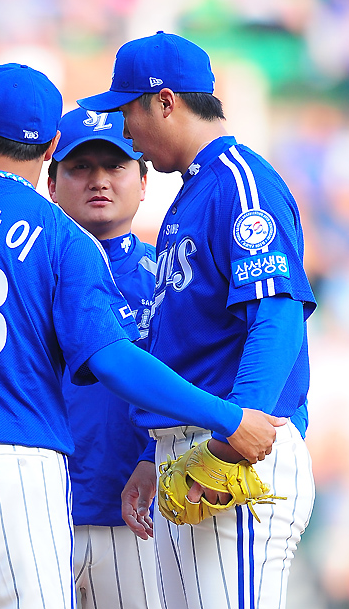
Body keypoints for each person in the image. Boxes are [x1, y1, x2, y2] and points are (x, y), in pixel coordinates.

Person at [0, 62, 282, 609]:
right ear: (52, 148)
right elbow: (111, 359)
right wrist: (227, 416)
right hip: (19, 466)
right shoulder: (61, 236)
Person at [77, 31, 317, 609]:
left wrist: (238, 436)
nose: (125, 129)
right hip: (189, 449)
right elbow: (189, 341)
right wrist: (148, 455)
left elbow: (277, 312)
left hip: (234, 447)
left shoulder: (240, 180)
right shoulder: (192, 193)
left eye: (127, 110)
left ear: (165, 102)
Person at [48, 106, 161, 609]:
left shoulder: (171, 278)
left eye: (115, 165)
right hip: (35, 513)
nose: (99, 180)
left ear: (144, 182)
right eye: (80, 167)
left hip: (141, 517)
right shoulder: (26, 274)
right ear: (52, 184)